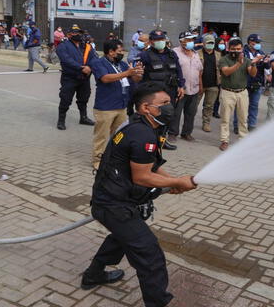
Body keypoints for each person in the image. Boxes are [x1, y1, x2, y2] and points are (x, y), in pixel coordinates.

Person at [81, 81, 197, 306]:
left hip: (113, 201)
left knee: (121, 238)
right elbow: (142, 177)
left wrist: (171, 181)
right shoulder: (142, 133)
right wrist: (176, 181)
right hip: (114, 206)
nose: (169, 106)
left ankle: (93, 274)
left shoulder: (139, 125)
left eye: (169, 102)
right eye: (163, 103)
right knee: (150, 257)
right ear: (146, 107)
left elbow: (149, 165)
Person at [89, 39, 144, 170]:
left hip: (121, 105)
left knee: (119, 135)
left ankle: (115, 157)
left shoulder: (122, 64)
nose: (122, 53)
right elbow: (105, 78)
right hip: (105, 107)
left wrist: (138, 72)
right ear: (111, 52)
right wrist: (127, 73)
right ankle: (98, 160)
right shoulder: (98, 63)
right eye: (119, 51)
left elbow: (134, 79)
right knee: (101, 136)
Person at [139, 31, 185, 149]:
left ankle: (162, 141)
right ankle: (149, 141)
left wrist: (181, 86)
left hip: (170, 91)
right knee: (152, 118)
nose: (160, 42)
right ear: (151, 42)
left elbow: (178, 71)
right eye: (156, 39)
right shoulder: (145, 55)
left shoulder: (172, 54)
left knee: (167, 117)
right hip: (154, 94)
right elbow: (139, 75)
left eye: (162, 39)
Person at [218, 37, 258, 151]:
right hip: (227, 92)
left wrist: (254, 64)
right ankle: (224, 140)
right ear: (229, 49)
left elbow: (253, 74)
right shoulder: (224, 59)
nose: (236, 51)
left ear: (242, 49)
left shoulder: (246, 60)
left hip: (242, 92)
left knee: (243, 118)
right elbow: (225, 72)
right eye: (233, 49)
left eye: (238, 49)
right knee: (225, 118)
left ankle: (243, 140)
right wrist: (238, 64)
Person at [56, 24, 98, 130]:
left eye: (79, 32)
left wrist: (90, 67)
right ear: (69, 35)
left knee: (84, 98)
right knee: (65, 99)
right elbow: (66, 59)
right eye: (75, 32)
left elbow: (94, 58)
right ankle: (61, 120)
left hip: (84, 78)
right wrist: (81, 67)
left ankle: (83, 118)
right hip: (70, 78)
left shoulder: (87, 46)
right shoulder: (63, 46)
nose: (78, 34)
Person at [170, 31, 202, 142]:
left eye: (192, 40)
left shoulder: (195, 54)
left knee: (191, 113)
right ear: (181, 41)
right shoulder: (174, 53)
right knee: (176, 113)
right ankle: (173, 133)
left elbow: (199, 71)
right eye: (188, 40)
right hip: (180, 89)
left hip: (194, 89)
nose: (191, 42)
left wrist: (200, 86)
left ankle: (186, 133)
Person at [238, 34, 268, 132]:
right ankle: (237, 125)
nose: (258, 44)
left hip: (257, 83)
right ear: (250, 42)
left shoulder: (261, 52)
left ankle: (252, 125)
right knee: (241, 106)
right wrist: (254, 61)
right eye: (256, 42)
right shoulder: (243, 52)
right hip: (244, 82)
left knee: (254, 105)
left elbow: (265, 68)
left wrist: (266, 62)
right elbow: (241, 65)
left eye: (259, 42)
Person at [198, 34, 221, 132]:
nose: (210, 44)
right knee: (193, 106)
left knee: (209, 106)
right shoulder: (197, 54)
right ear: (203, 43)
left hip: (213, 84)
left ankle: (206, 123)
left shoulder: (218, 54)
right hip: (199, 84)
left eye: (212, 43)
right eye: (208, 43)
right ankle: (188, 123)